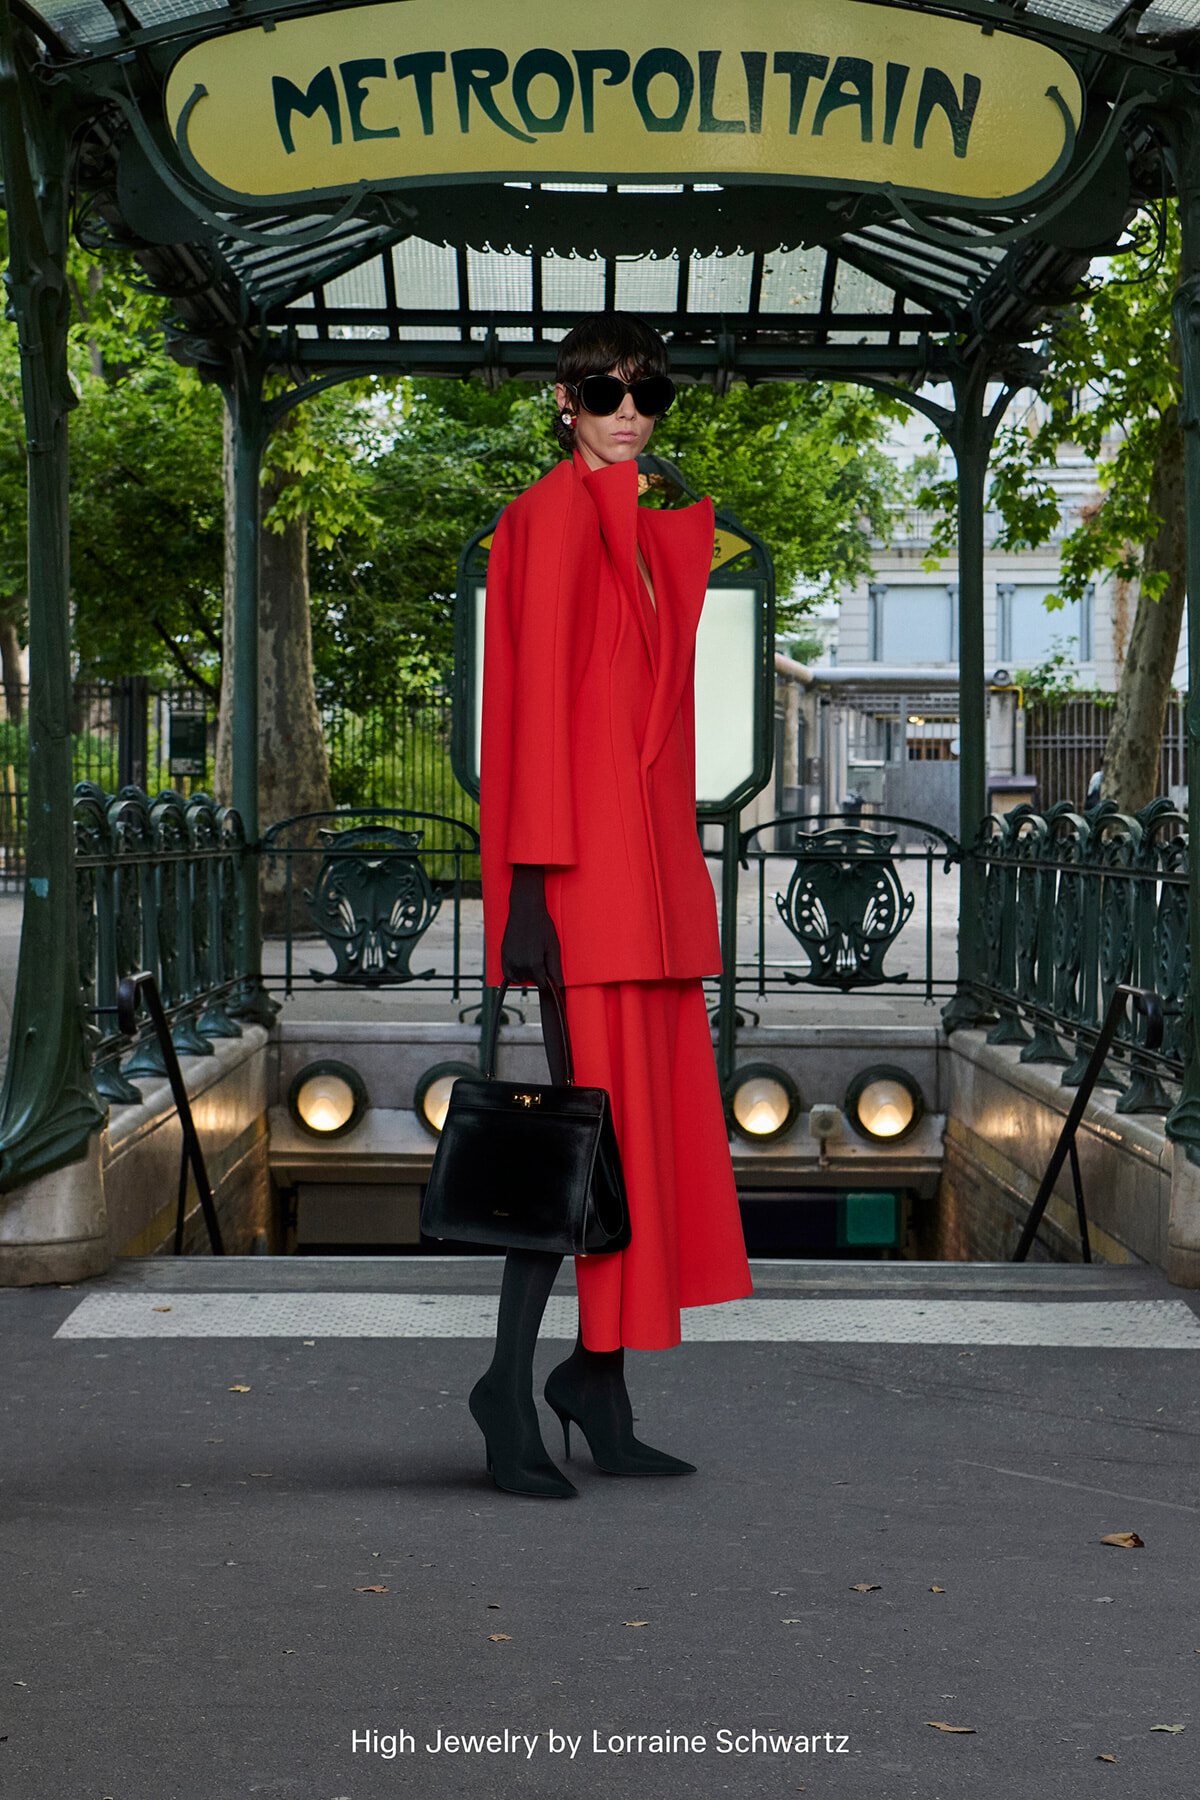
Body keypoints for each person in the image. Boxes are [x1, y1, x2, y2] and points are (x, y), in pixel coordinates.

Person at [471, 312, 753, 1498]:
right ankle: (505, 1386)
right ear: (563, 400)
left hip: (647, 884)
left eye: (648, 393)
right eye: (603, 390)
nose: (627, 411)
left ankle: (600, 1380)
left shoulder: (635, 527)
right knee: (574, 1148)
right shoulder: (542, 520)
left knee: (639, 1142)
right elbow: (532, 712)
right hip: (580, 888)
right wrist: (528, 895)